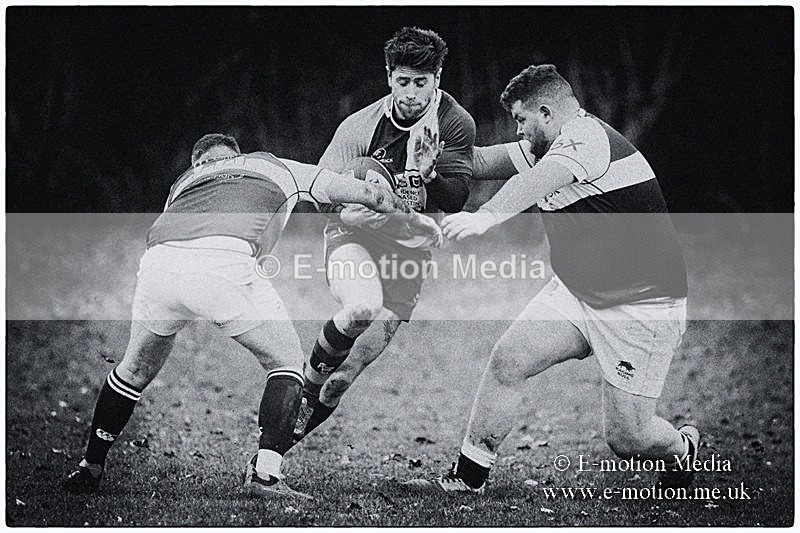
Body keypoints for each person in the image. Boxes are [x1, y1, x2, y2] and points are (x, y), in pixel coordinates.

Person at [62, 133, 440, 499]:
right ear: (237, 156)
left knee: (132, 370)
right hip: (223, 262)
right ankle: (266, 475)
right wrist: (412, 217)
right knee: (288, 364)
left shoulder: (184, 182)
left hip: (158, 264)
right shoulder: (271, 165)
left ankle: (90, 464)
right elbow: (368, 193)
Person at [405, 64, 697, 492]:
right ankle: (468, 479)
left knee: (628, 437)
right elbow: (484, 160)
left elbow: (539, 181)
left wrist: (486, 217)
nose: (518, 130)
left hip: (642, 303)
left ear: (545, 112)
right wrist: (436, 164)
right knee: (510, 359)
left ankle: (682, 448)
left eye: (521, 120)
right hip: (579, 291)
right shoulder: (547, 143)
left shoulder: (586, 140)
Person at [292, 27, 475, 442]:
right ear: (389, 76)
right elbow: (319, 189)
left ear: (438, 79)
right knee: (360, 308)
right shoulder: (360, 127)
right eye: (403, 81)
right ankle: (291, 412)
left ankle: (274, 453)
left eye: (421, 83)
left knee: (343, 378)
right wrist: (353, 201)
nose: (411, 93)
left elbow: (457, 197)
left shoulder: (454, 123)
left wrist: (429, 174)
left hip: (409, 252)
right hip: (354, 236)